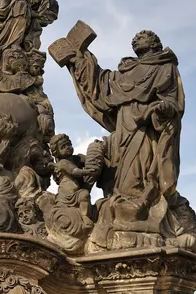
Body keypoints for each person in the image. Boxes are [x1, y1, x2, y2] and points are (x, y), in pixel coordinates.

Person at [64, 30, 188, 250]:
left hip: (145, 130)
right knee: (120, 177)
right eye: (135, 38)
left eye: (143, 37)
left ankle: (138, 212)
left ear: (154, 42)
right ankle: (123, 211)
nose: (136, 39)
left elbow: (173, 103)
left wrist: (160, 109)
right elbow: (102, 85)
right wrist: (81, 58)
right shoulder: (127, 70)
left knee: (137, 175)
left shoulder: (165, 66)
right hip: (123, 128)